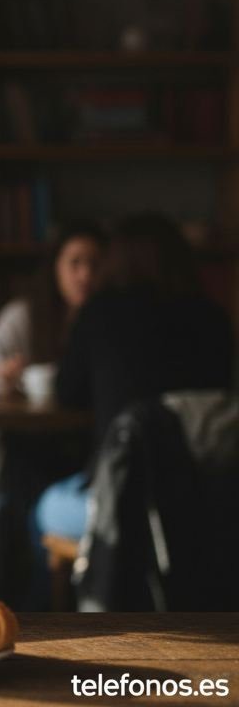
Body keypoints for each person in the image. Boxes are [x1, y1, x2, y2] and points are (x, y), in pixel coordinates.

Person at [35, 212, 235, 545]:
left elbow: (67, 392)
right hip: (207, 501)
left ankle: (65, 598)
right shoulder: (215, 320)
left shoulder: (99, 313)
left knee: (43, 509)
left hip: (123, 495)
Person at [0, 222, 104, 610]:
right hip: (29, 444)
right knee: (20, 472)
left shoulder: (105, 321)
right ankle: (20, 595)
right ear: (55, 269)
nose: (85, 274)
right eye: (75, 263)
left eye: (95, 264)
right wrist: (2, 379)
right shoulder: (26, 316)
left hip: (84, 443)